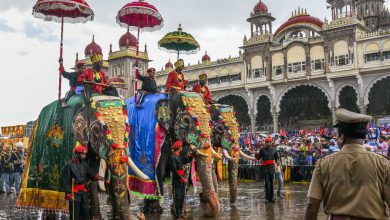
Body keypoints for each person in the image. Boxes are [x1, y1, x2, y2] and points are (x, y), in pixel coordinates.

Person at [304, 109, 390, 220]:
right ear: (364, 137)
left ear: (341, 137)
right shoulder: (383, 164)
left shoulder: (323, 164)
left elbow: (311, 205)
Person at [62, 144, 101, 220]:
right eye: (82, 154)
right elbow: (65, 181)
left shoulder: (85, 164)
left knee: (86, 213)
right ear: (77, 154)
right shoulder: (68, 165)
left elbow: (90, 174)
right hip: (74, 194)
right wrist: (68, 193)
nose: (84, 156)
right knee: (75, 215)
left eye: (84, 154)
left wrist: (96, 177)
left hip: (84, 193)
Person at [169, 141, 195, 220]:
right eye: (181, 147)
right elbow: (174, 169)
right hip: (177, 179)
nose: (182, 148)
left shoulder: (179, 155)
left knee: (182, 197)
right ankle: (177, 216)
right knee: (177, 197)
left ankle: (180, 214)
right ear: (179, 147)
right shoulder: (173, 157)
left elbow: (186, 160)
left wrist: (192, 155)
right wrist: (181, 178)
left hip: (182, 179)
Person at [255, 137, 279, 203]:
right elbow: (258, 158)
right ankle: (267, 198)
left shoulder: (274, 150)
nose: (268, 143)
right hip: (265, 168)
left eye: (269, 142)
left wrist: (278, 161)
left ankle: (272, 198)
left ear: (271, 143)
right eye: (267, 142)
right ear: (265, 143)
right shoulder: (262, 150)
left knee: (271, 183)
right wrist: (256, 154)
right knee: (267, 183)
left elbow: (277, 158)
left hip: (271, 168)